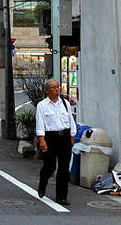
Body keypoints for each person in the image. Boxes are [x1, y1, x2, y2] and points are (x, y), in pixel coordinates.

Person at [34, 78, 76, 206]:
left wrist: (72, 136)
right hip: (50, 138)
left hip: (64, 136)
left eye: (57, 87)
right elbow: (40, 124)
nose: (56, 89)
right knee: (50, 165)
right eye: (53, 87)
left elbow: (70, 120)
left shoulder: (65, 103)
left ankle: (61, 197)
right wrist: (42, 140)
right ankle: (43, 183)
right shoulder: (42, 105)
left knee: (63, 168)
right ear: (47, 91)